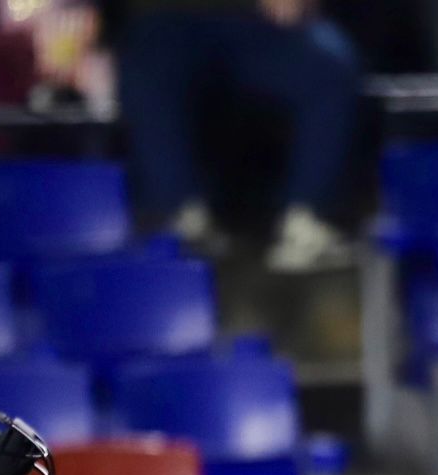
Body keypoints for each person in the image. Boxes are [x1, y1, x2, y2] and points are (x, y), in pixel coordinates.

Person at [115, 0, 359, 272]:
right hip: (169, 23)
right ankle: (179, 221)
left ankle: (308, 219)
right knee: (147, 55)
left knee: (330, 60)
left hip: (259, 23)